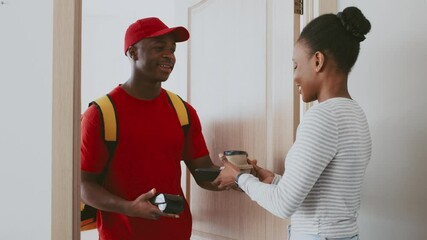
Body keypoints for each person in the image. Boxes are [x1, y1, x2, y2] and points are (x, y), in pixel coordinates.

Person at [214, 6, 372, 240]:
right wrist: (273, 180)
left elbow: (283, 205)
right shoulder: (356, 115)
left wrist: (238, 177)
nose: (294, 77)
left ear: (318, 60)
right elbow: (325, 194)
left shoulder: (322, 117)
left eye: (296, 65)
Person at [80, 17, 222, 240]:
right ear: (132, 53)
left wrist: (241, 178)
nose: (169, 55)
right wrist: (129, 207)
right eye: (159, 48)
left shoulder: (183, 111)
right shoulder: (100, 114)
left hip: (177, 234)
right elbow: (83, 185)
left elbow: (205, 174)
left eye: (172, 49)